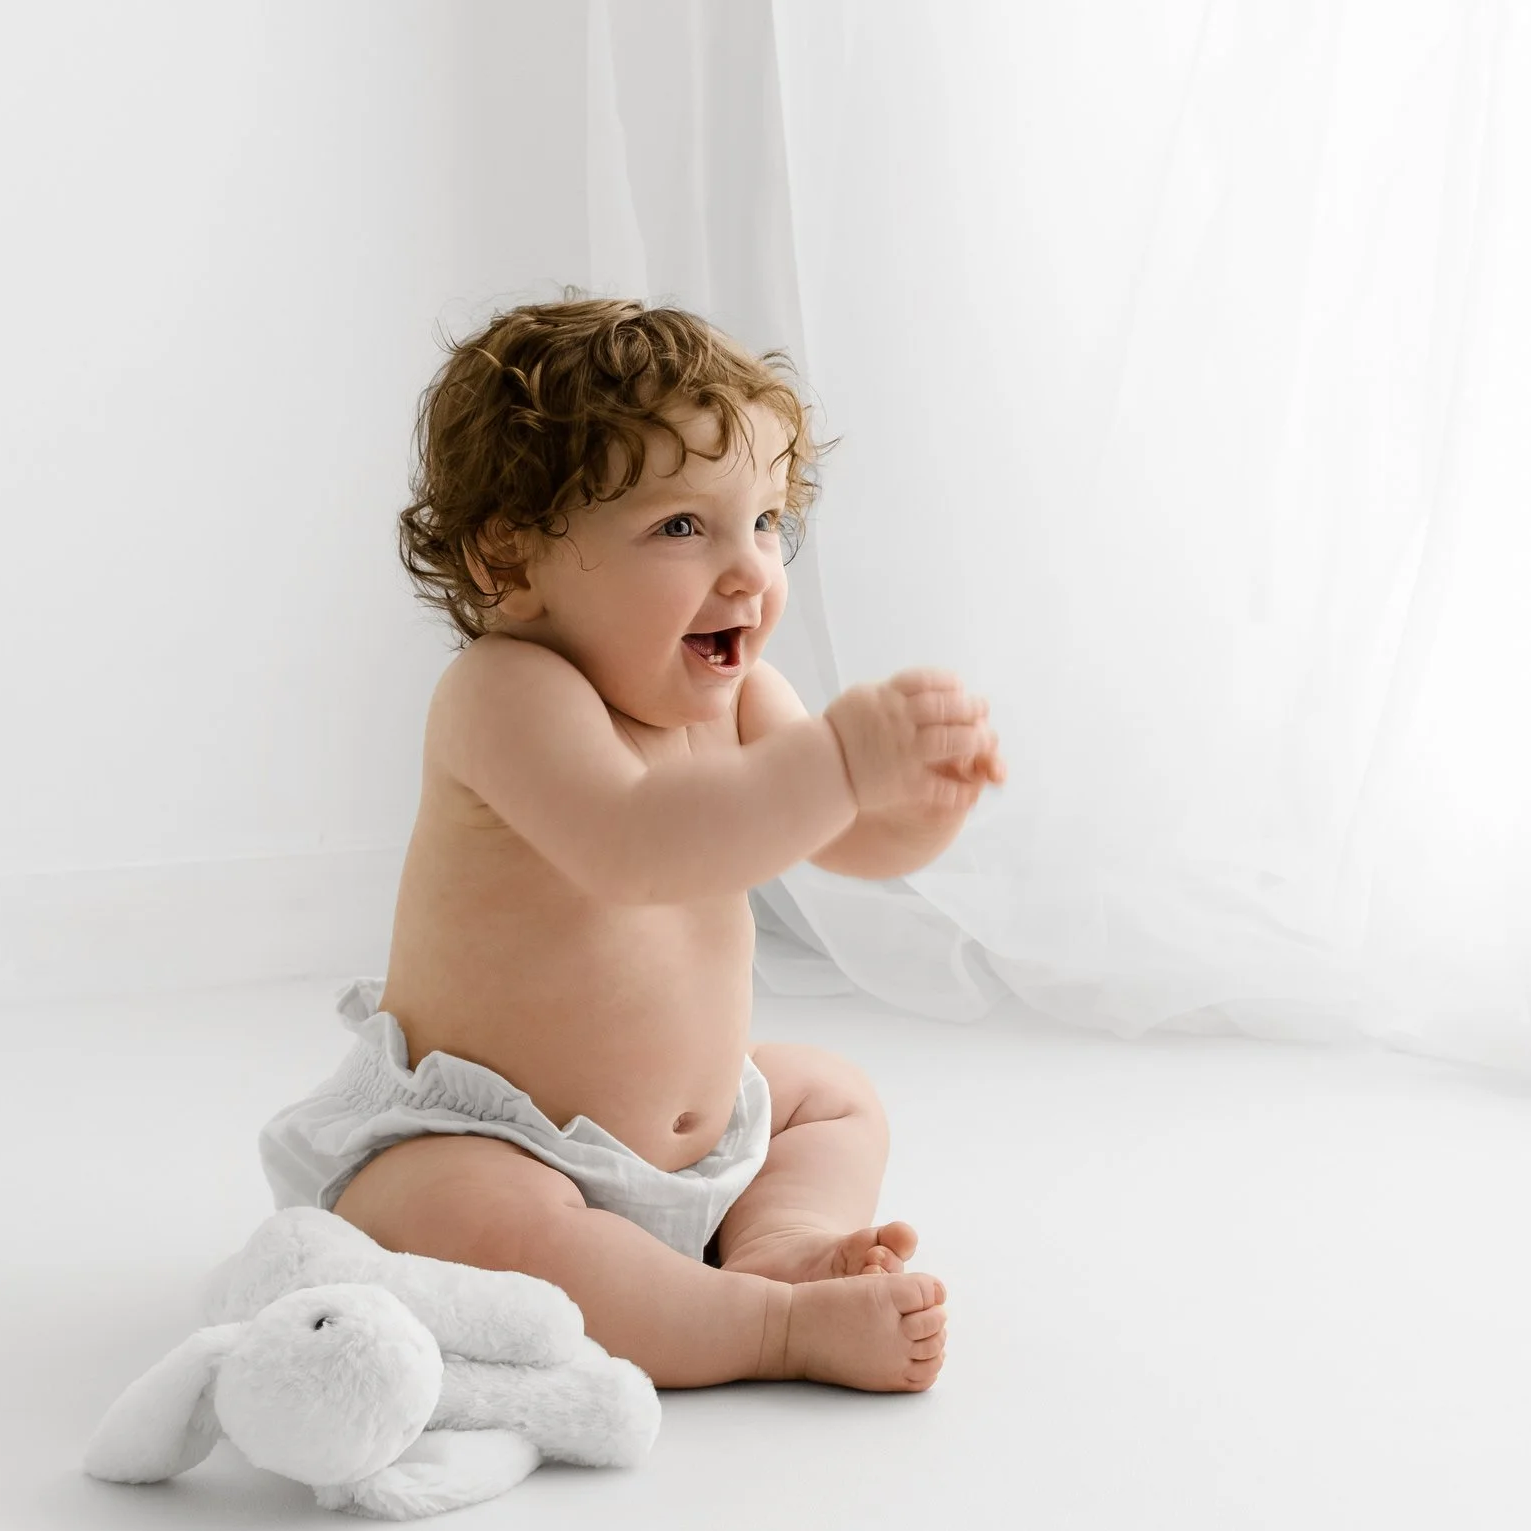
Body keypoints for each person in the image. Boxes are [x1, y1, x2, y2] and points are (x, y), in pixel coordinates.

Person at [259, 296, 1005, 1390]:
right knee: (461, 1214)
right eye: (679, 528)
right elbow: (635, 847)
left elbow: (842, 840)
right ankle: (763, 1329)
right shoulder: (507, 695)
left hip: (700, 1148)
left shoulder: (744, 697)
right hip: (503, 1147)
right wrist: (839, 762)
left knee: (829, 1094)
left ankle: (777, 1243)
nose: (747, 568)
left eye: (764, 522)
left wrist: (913, 802)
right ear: (508, 563)